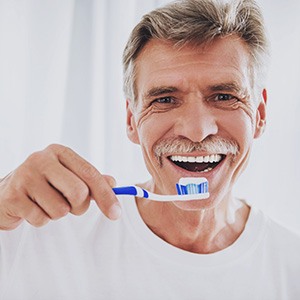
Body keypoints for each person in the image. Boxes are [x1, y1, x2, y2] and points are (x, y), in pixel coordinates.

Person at [0, 0, 300, 299]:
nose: (196, 130)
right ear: (132, 119)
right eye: (165, 99)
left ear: (259, 114)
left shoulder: (290, 269)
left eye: (223, 95)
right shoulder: (40, 232)